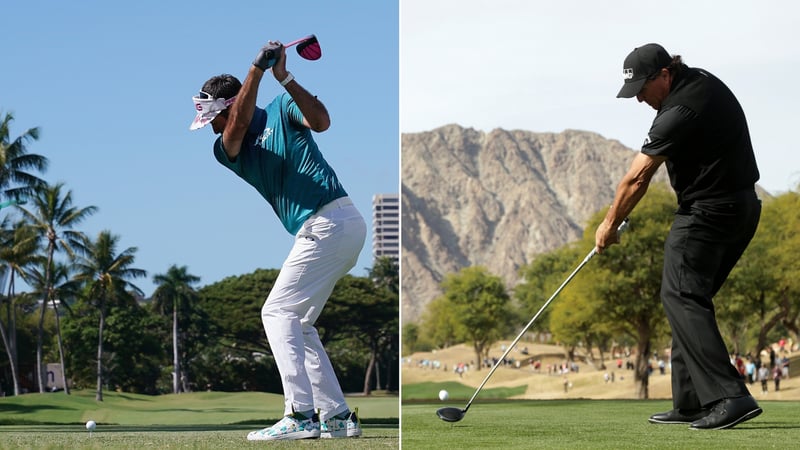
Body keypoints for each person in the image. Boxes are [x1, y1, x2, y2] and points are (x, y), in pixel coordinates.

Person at [190, 40, 366, 441]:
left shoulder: (284, 109)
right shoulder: (226, 148)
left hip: (333, 219)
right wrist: (255, 68)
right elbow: (236, 126)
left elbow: (322, 122)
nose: (213, 128)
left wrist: (284, 77)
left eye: (213, 118)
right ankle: (336, 416)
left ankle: (300, 415)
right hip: (328, 227)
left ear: (227, 106)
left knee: (276, 313)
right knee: (298, 323)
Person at [595, 43, 762, 430]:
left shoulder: (679, 109)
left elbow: (637, 177)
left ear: (664, 75)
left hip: (709, 212)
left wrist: (608, 225)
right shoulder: (698, 83)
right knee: (687, 299)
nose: (639, 99)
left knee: (681, 294)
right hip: (740, 208)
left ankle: (729, 396)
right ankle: (691, 401)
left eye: (641, 88)